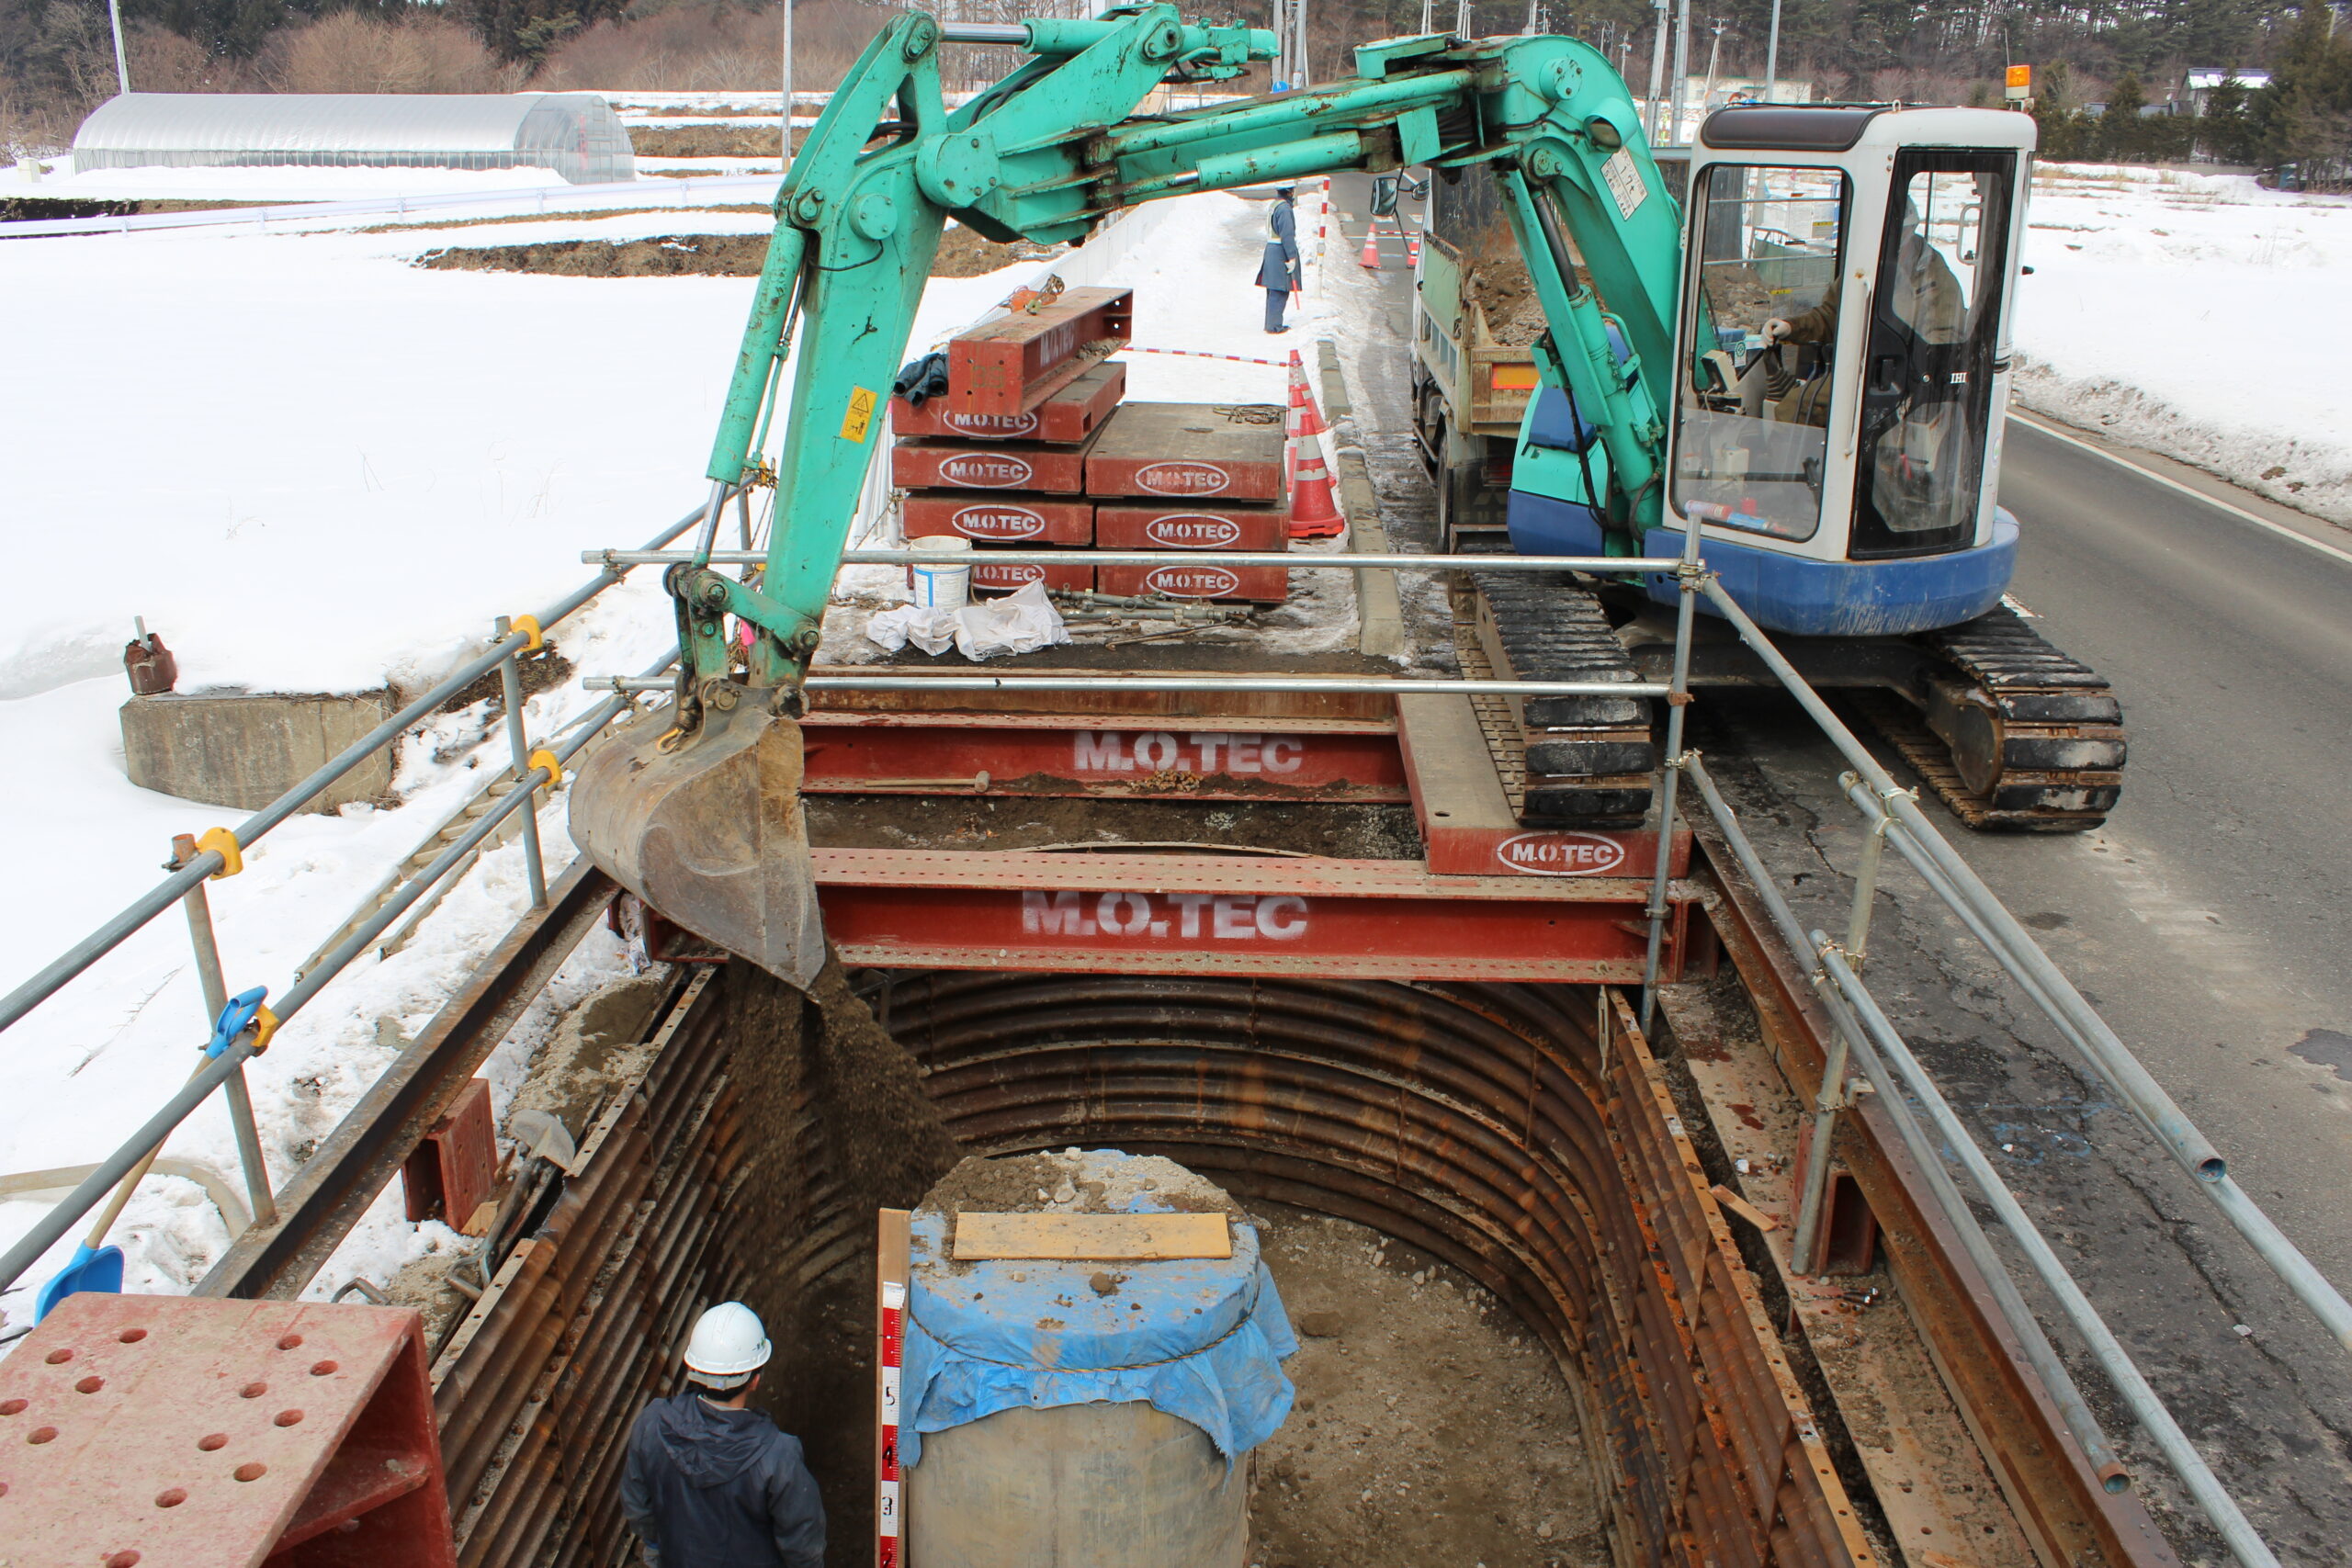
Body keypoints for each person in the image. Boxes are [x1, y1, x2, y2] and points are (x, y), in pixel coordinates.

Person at [622, 1303, 826, 1568]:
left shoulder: (651, 1424)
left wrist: (657, 1548)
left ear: (695, 1371)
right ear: (755, 1380)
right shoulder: (778, 1456)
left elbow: (638, 1505)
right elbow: (803, 1546)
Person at [1259, 186, 1302, 334]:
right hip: (1280, 252)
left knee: (1273, 289)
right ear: (1290, 192)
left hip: (1271, 250)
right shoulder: (1284, 209)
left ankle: (1271, 323)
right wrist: (1291, 257)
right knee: (1280, 289)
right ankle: (1274, 326)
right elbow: (1287, 235)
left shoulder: (1274, 205)